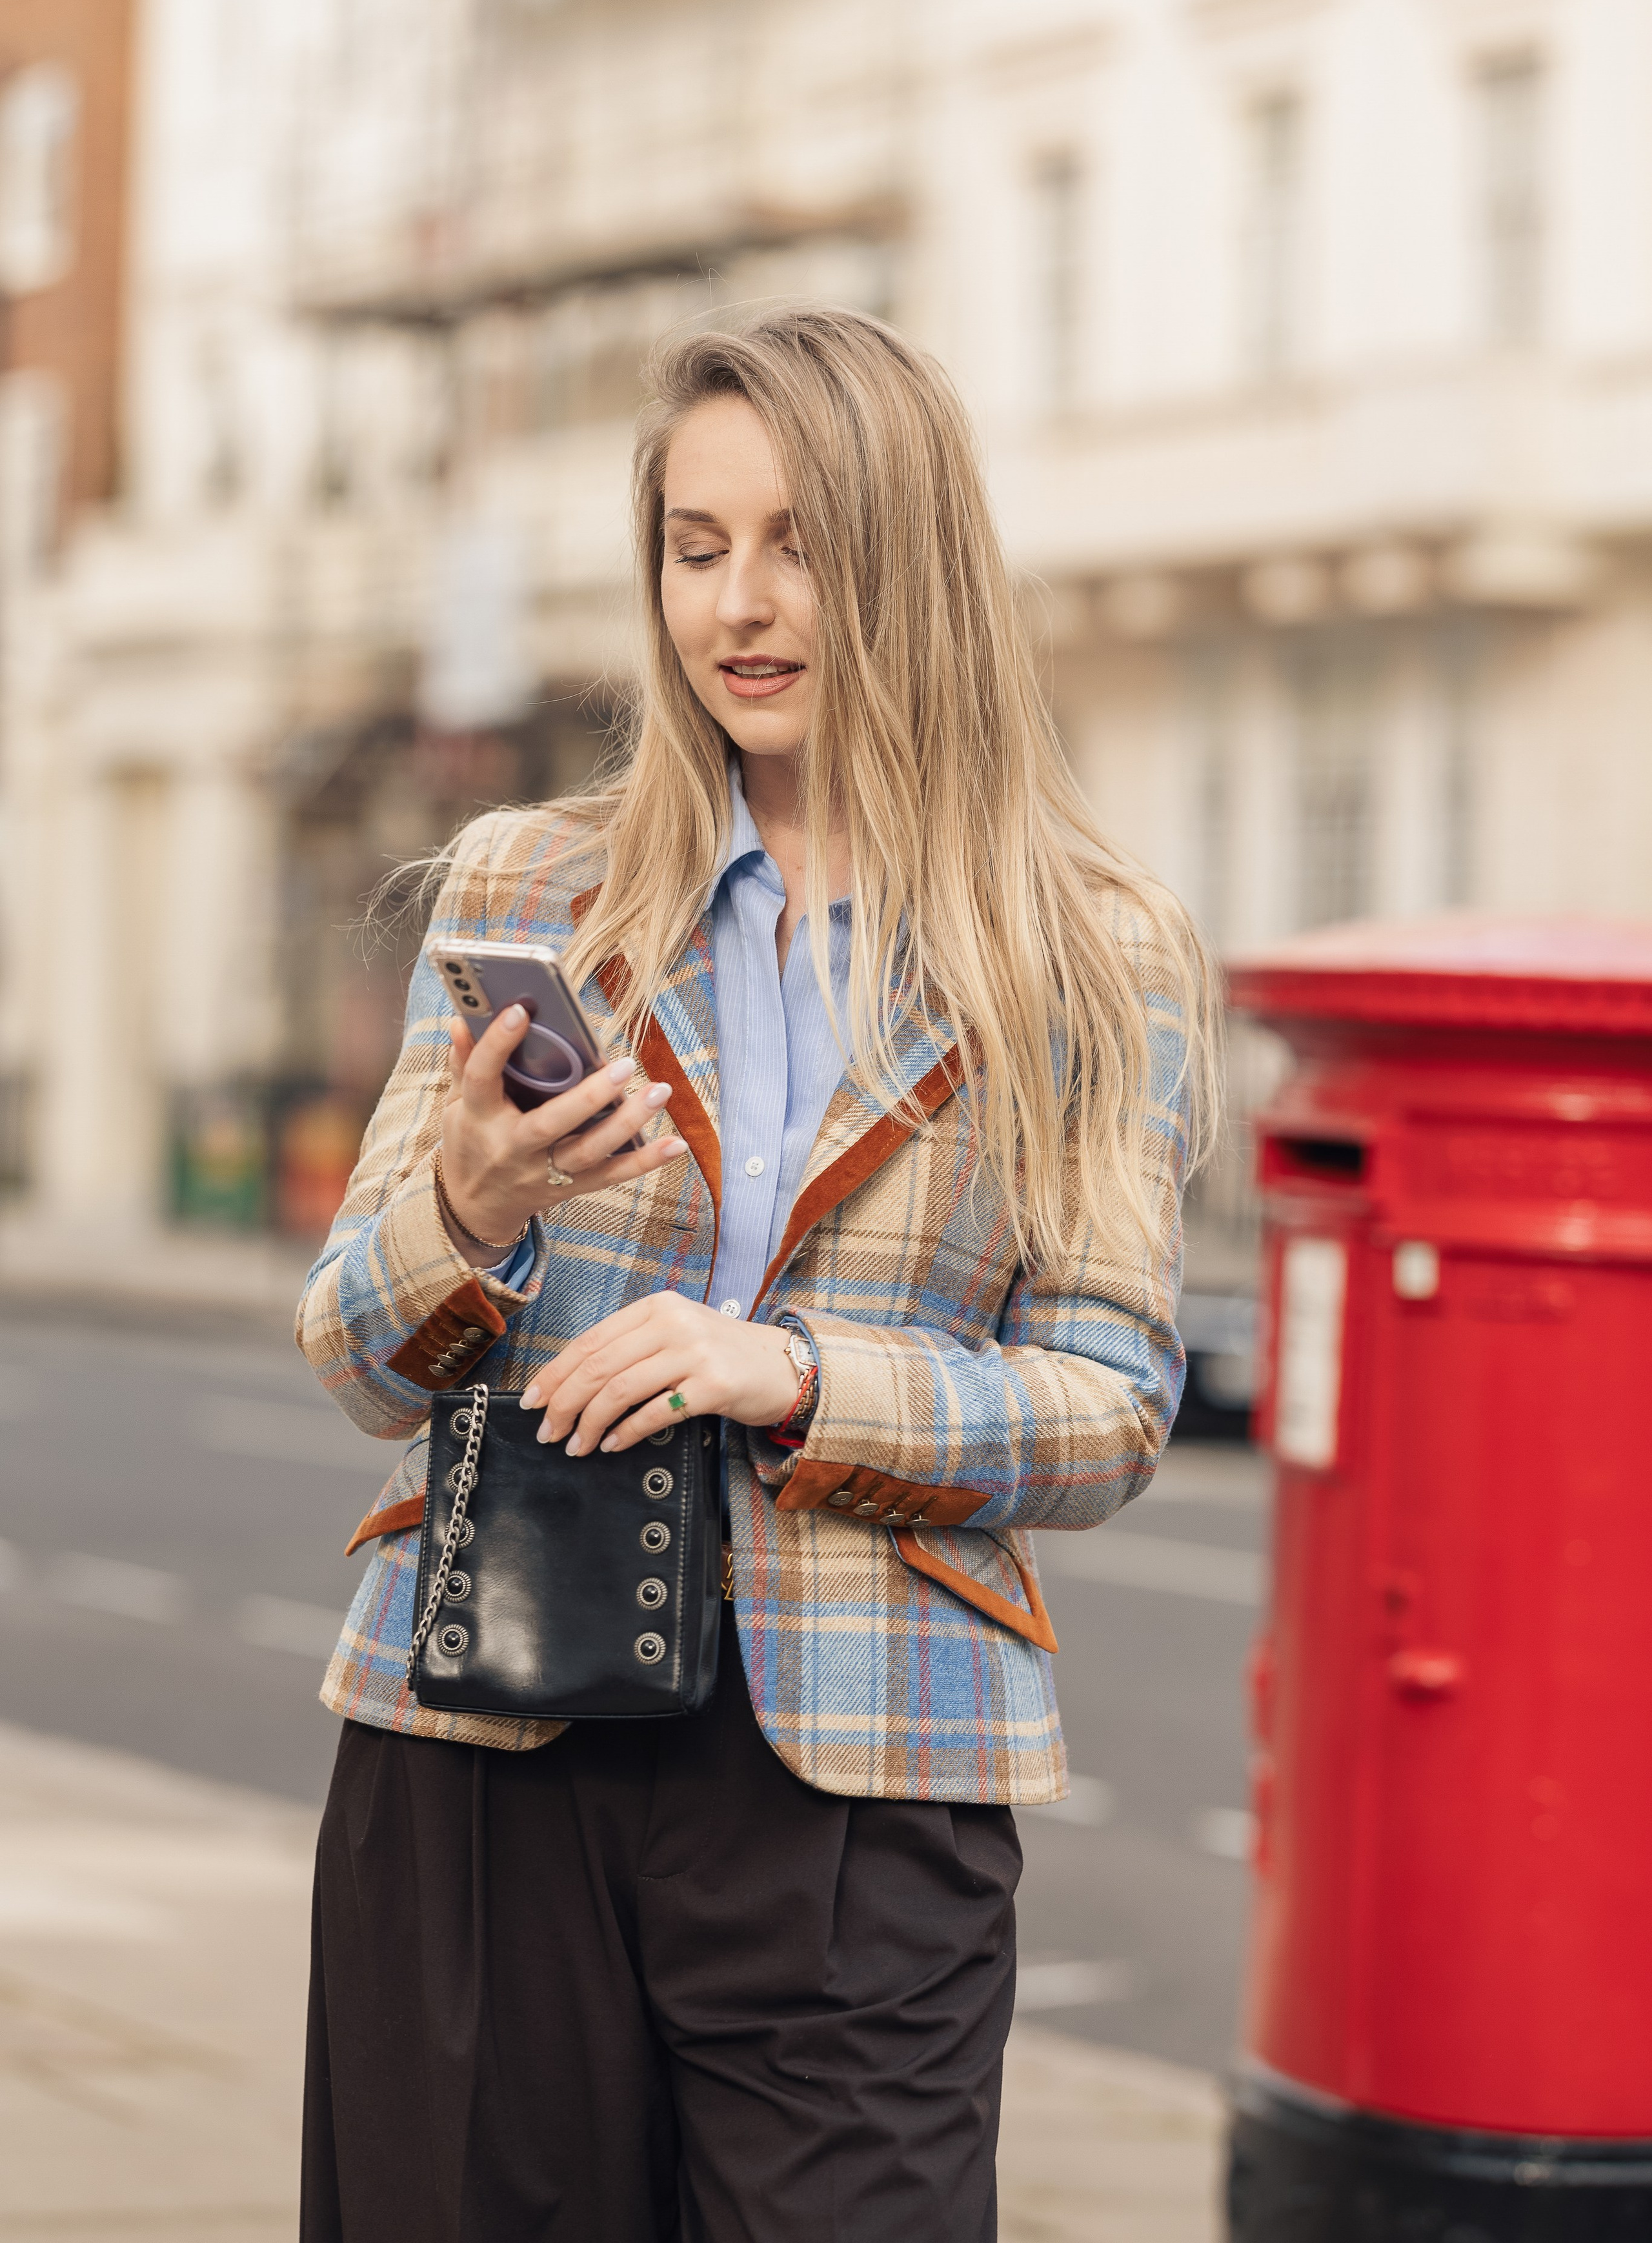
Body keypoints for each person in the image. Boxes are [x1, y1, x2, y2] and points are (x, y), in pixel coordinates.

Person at [296, 305, 1215, 2243]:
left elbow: (1113, 1405)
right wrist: (468, 1202)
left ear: (913, 561)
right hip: (490, 1733)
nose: (742, 602)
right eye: (695, 546)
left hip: (866, 1787)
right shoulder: (528, 889)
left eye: (799, 540)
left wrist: (785, 1371)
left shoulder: (1092, 954)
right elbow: (357, 1352)